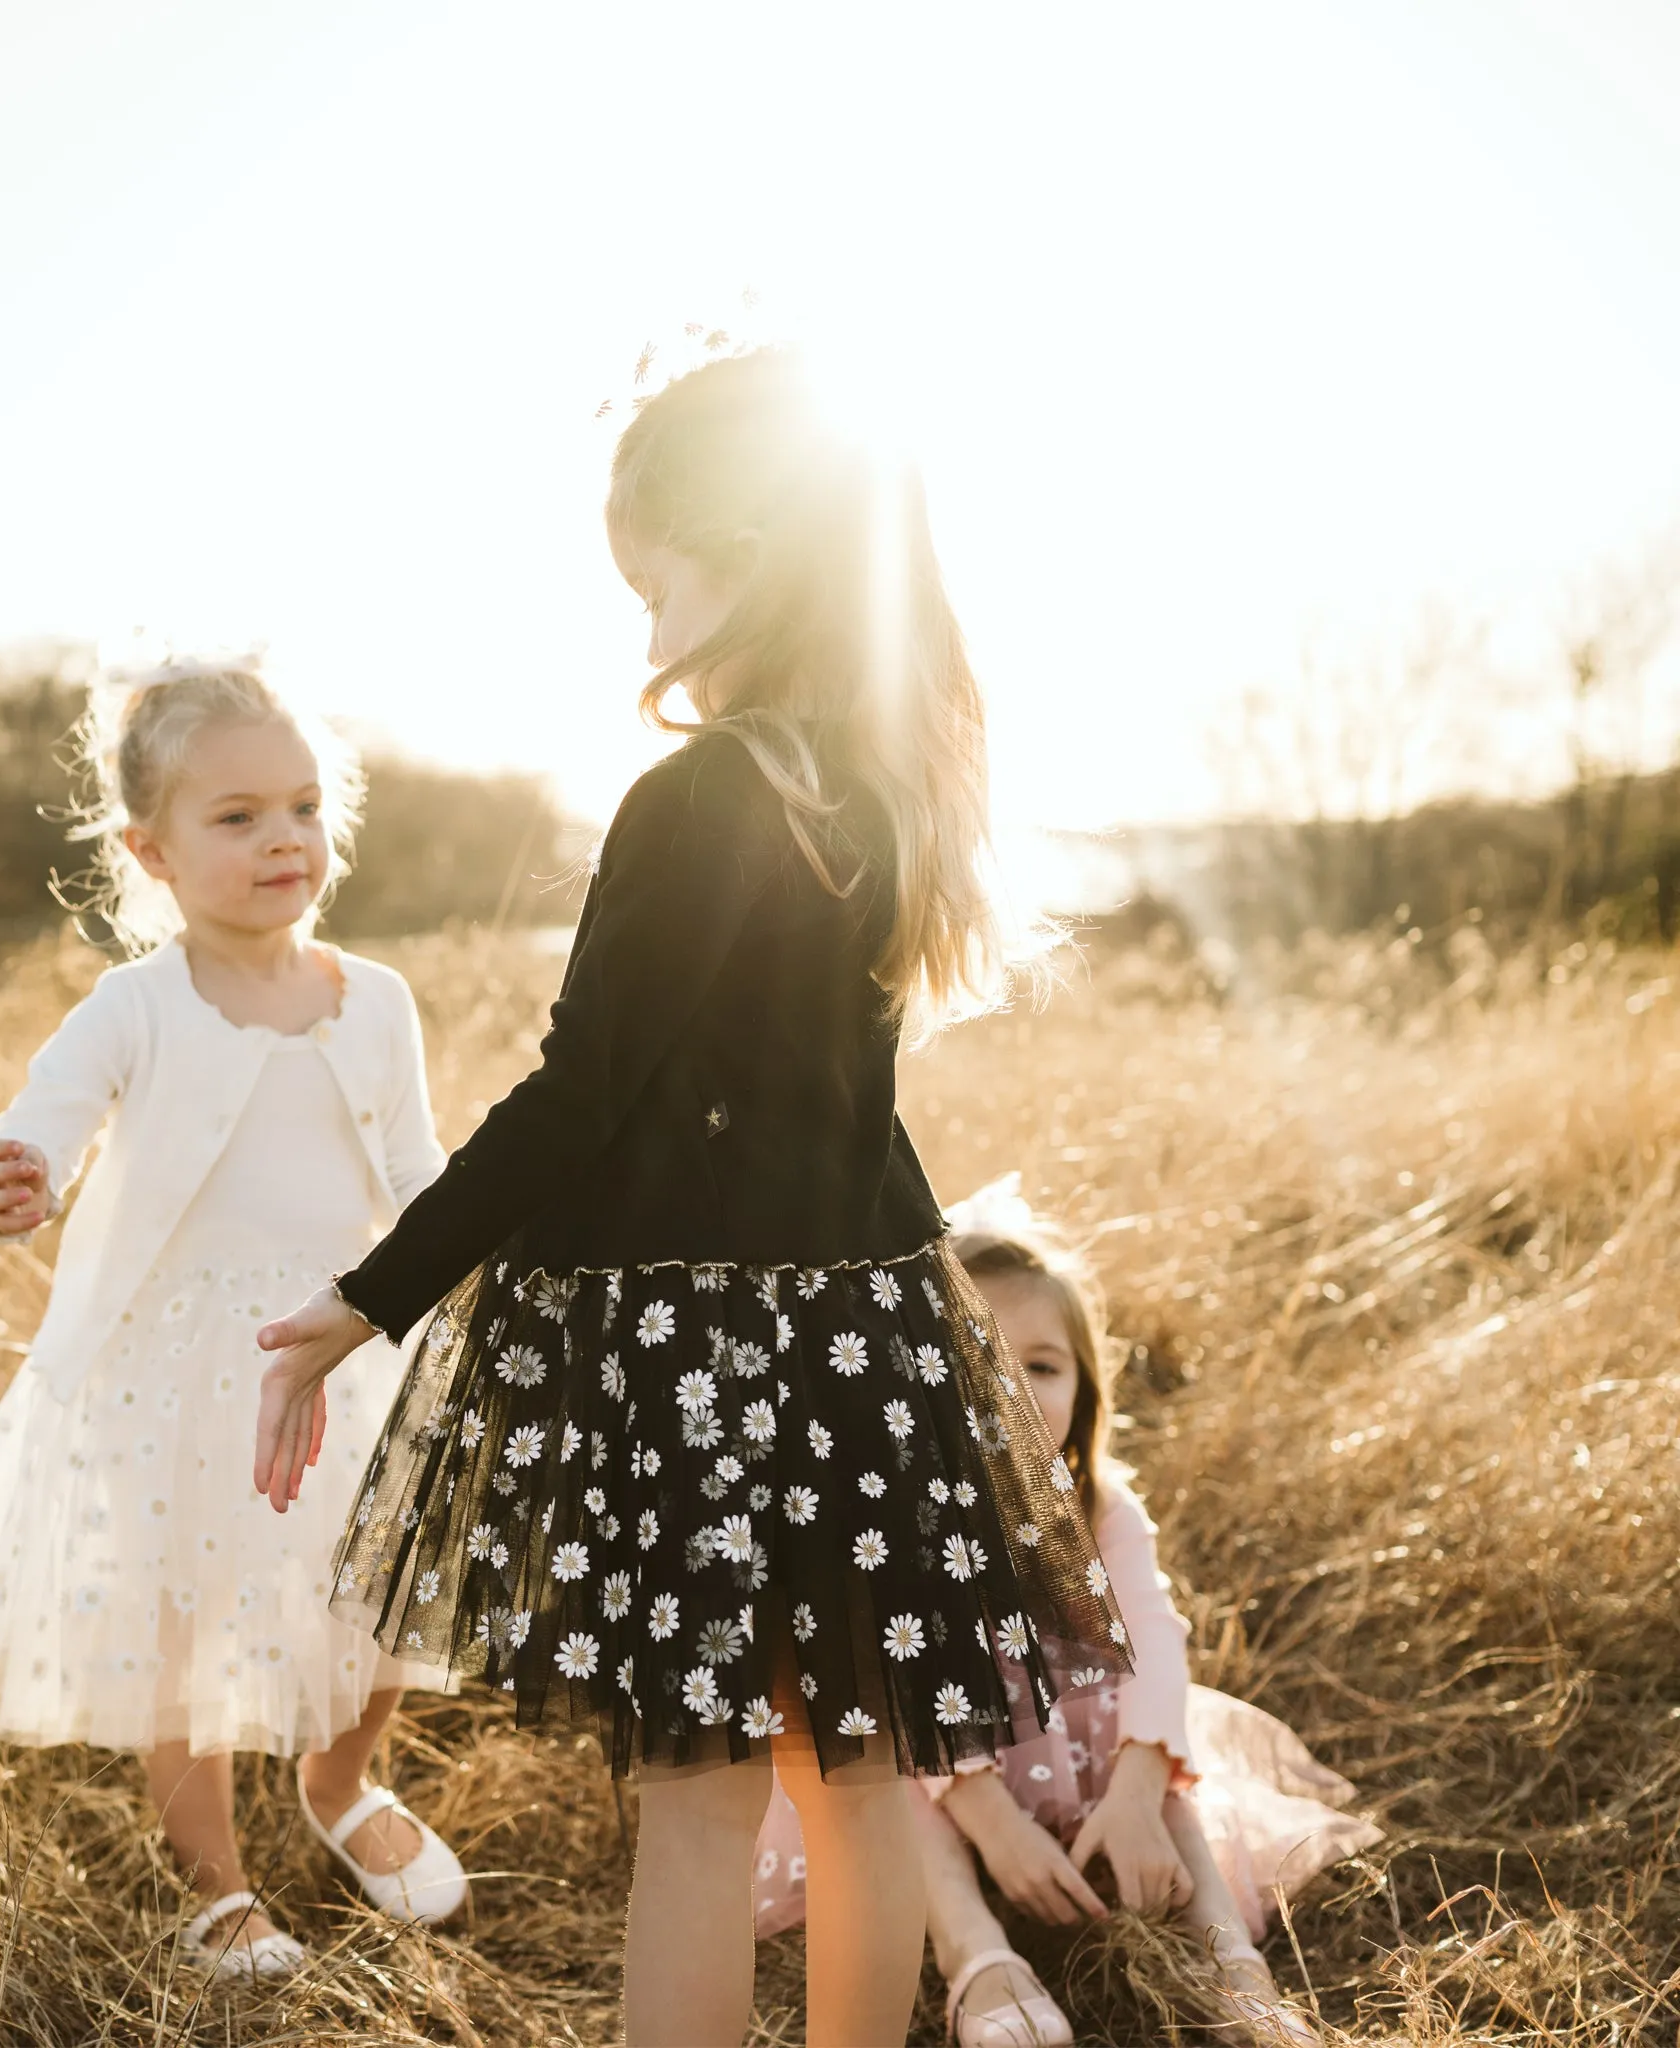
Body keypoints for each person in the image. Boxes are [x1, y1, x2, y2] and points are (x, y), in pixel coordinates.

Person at [247, 349, 1131, 2047]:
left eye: (653, 584)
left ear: (742, 552)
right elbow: (844, 1118)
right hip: (864, 1354)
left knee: (705, 1801)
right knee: (859, 1780)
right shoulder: (880, 797)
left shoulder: (698, 797)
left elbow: (580, 1095)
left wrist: (366, 1293)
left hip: (696, 1364)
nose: (643, 630)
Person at [0, 651, 468, 1981]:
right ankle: (216, 1885)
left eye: (305, 806)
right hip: (176, 1375)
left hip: (344, 1350)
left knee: (374, 1595)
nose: (284, 838)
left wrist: (469, 1267)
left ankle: (342, 1788)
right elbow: (43, 1121)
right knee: (187, 1632)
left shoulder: (373, 1001)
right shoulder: (135, 1005)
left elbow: (419, 1174)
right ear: (149, 850)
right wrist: (18, 1173)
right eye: (237, 817)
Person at [753, 1177, 1379, 2045]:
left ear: (1085, 1391)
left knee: (1171, 1789)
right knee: (885, 1785)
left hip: (1079, 1756)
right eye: (977, 1364)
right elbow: (897, 1688)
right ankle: (977, 1960)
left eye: (1041, 1367)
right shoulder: (894, 1515)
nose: (1011, 1391)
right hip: (946, 1766)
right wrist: (989, 1820)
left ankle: (1237, 1973)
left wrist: (1134, 1787)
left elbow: (1155, 1640)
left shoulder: (1102, 1509)